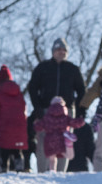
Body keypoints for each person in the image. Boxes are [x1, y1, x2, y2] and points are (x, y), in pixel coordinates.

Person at [27, 38, 86, 172]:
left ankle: (60, 173)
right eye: (58, 49)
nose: (61, 52)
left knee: (66, 142)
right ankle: (42, 171)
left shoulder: (72, 69)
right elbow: (33, 88)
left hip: (66, 112)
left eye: (64, 50)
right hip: (46, 110)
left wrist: (80, 110)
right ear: (53, 51)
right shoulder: (43, 67)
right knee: (43, 141)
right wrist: (38, 109)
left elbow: (82, 90)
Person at [0, 65, 29, 173]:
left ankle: (3, 169)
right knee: (17, 150)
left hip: (4, 126)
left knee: (4, 149)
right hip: (19, 127)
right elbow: (24, 109)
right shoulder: (18, 93)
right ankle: (20, 168)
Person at [33, 96, 85, 172]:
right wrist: (81, 121)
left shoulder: (47, 117)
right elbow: (74, 123)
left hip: (49, 140)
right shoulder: (65, 117)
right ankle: (68, 144)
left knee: (52, 158)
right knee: (66, 155)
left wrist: (35, 124)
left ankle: (52, 170)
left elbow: (39, 126)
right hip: (61, 139)